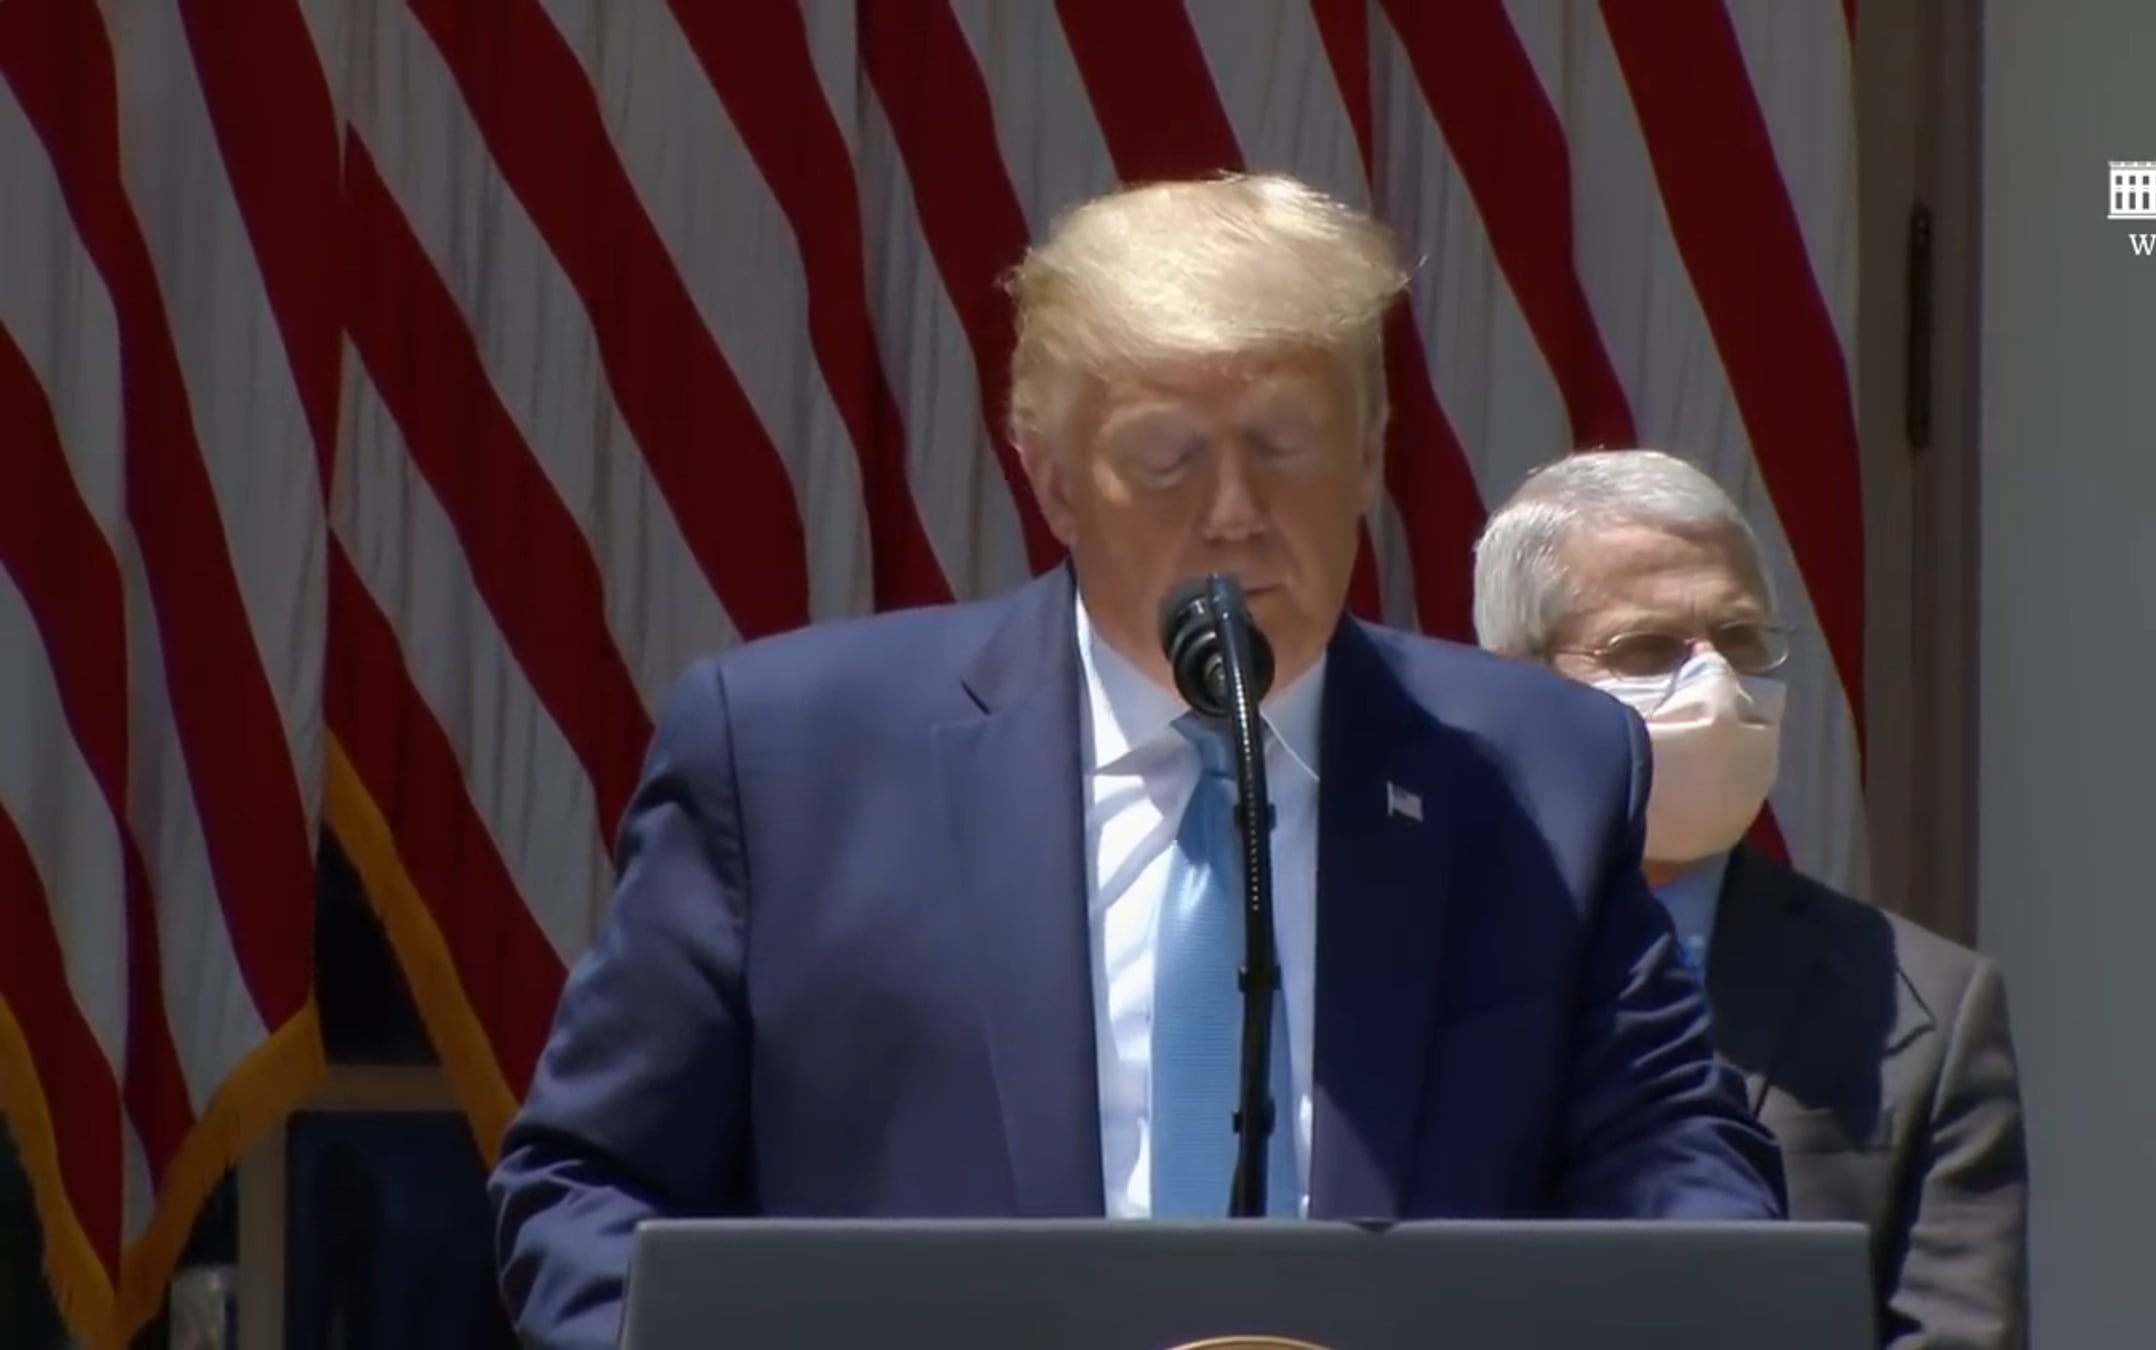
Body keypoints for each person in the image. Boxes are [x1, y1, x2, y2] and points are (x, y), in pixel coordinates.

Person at [488, 175, 1786, 1345]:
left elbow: (1672, 1166)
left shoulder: (1537, 771)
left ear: (1369, 454)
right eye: (1167, 459)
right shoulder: (791, 759)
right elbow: (589, 1189)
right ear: (1054, 481)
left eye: (1285, 444)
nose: (1234, 513)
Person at [1472, 448, 2030, 1348]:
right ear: (1513, 682)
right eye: (1646, 648)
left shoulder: (1920, 1005)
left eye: (1738, 640)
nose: (1715, 687)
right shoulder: (1397, 964)